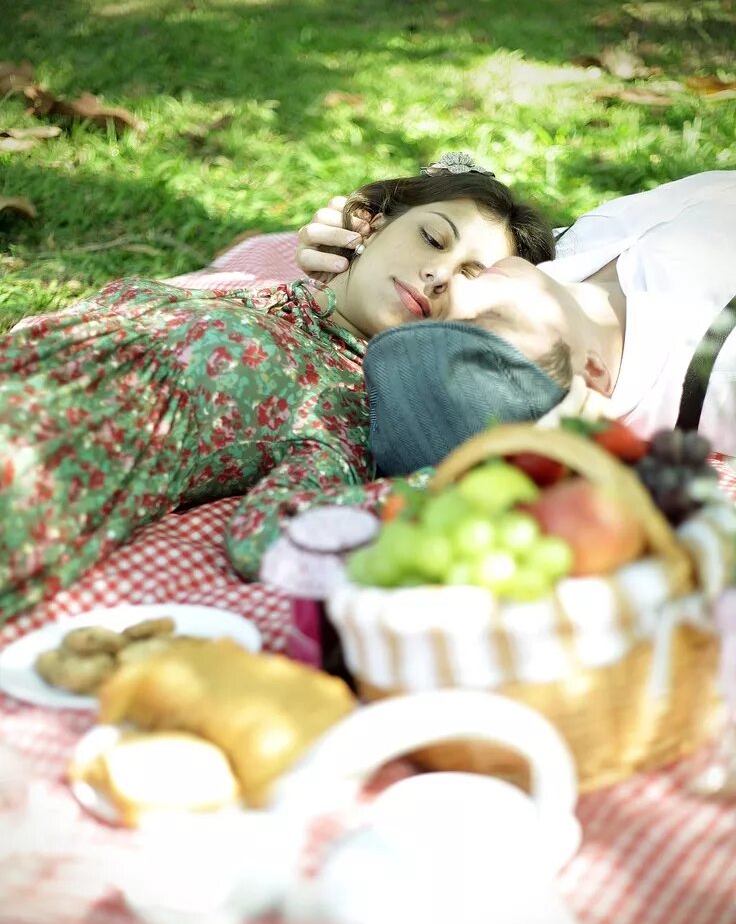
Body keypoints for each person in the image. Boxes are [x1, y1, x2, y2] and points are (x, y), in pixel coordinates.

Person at [0, 157, 554, 624]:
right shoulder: (254, 294)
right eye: (434, 238)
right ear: (370, 224)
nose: (439, 274)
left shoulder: (347, 400)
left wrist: (461, 479)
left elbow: (276, 537)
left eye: (469, 278)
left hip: (40, 457)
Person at [298, 171, 736, 461]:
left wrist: (356, 240)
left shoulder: (547, 270)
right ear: (592, 376)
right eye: (480, 327)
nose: (454, 289)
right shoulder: (719, 375)